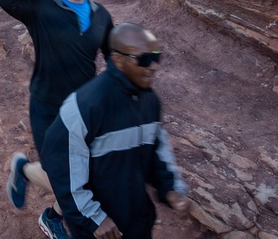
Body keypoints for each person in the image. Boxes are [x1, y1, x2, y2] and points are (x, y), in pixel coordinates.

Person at [0, 0, 114, 239]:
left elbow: (113, 61)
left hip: (83, 110)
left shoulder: (101, 15)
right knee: (67, 179)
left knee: (83, 178)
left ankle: (48, 211)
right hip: (47, 108)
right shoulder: (41, 6)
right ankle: (29, 178)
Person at [40, 23, 189, 238]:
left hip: (137, 220)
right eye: (144, 59)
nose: (154, 66)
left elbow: (156, 151)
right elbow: (61, 166)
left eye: (156, 56)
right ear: (119, 60)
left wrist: (170, 189)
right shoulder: (85, 105)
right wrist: (93, 218)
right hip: (98, 229)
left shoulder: (149, 101)